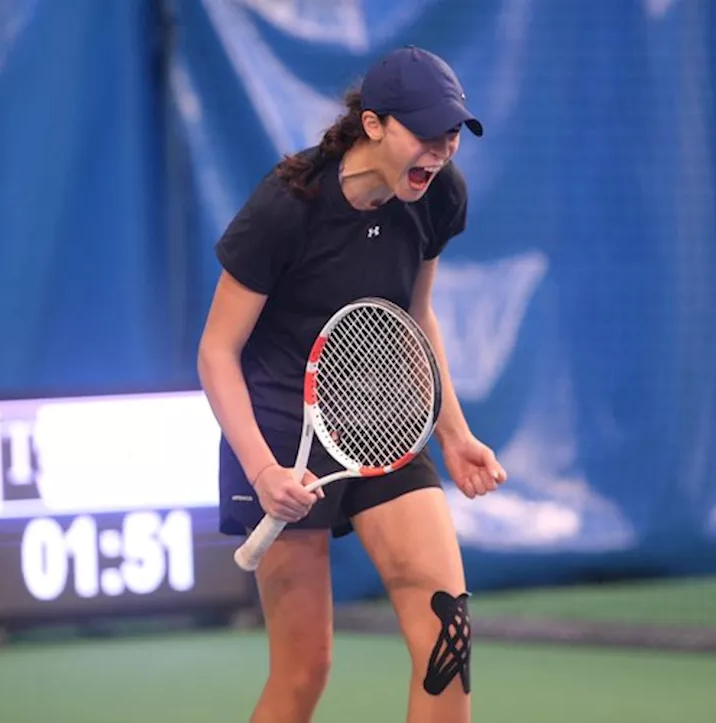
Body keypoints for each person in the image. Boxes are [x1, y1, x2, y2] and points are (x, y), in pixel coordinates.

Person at [196, 45, 506, 723]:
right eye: (426, 134)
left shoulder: (438, 195)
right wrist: (263, 467)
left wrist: (453, 432)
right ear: (374, 125)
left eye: (452, 135)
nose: (442, 151)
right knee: (305, 670)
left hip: (386, 423)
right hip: (284, 433)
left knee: (447, 640)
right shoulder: (287, 205)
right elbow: (217, 352)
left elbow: (416, 315)